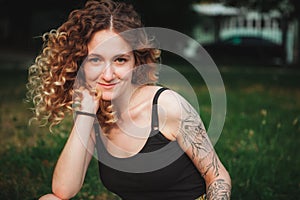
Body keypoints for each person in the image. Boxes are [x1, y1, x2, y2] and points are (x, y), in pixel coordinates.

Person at [26, 0, 231, 199]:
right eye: (95, 60)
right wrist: (85, 114)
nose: (108, 75)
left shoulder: (166, 106)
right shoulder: (94, 116)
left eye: (120, 60)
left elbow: (217, 176)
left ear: (136, 62)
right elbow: (63, 190)